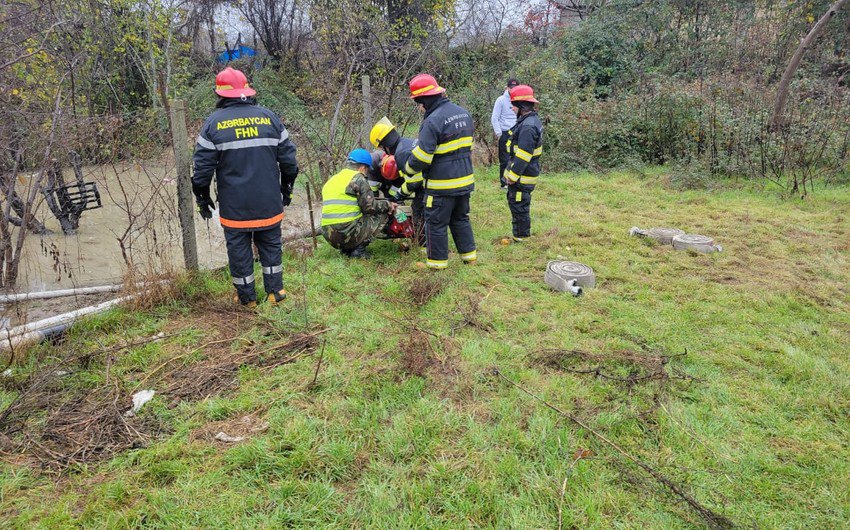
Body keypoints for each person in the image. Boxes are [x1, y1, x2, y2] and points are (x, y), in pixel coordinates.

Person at [192, 67, 298, 308]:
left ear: (220, 94)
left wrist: (202, 196)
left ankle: (246, 298)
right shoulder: (269, 118)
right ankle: (276, 293)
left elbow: (202, 169)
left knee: (239, 250)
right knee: (271, 245)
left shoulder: (213, 124)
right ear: (247, 91)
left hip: (235, 206)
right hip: (269, 201)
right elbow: (290, 161)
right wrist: (286, 188)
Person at [404, 73, 477, 269]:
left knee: (435, 224)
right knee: (460, 218)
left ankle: (437, 266)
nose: (419, 107)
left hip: (441, 185)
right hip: (464, 181)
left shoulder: (432, 121)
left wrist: (408, 167)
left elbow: (423, 157)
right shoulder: (464, 113)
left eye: (418, 102)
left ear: (424, 99)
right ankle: (469, 258)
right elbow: (468, 147)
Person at [321, 148, 398, 258]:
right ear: (363, 167)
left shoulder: (332, 180)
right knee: (383, 213)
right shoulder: (358, 178)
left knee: (356, 216)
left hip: (328, 235)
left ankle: (347, 249)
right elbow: (370, 207)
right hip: (346, 232)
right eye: (367, 170)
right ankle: (359, 250)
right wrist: (388, 205)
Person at [369, 117, 426, 247]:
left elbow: (413, 182)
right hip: (438, 178)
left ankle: (423, 245)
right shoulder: (408, 143)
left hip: (427, 183)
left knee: (418, 211)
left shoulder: (400, 154)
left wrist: (398, 196)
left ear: (385, 144)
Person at [504, 84, 543, 242]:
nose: (512, 109)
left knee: (519, 206)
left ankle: (521, 239)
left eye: (513, 106)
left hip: (522, 177)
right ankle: (520, 236)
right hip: (525, 174)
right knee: (518, 204)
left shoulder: (527, 127)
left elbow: (523, 156)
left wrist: (513, 176)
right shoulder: (530, 121)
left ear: (521, 106)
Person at [491, 78, 520, 189]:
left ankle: (514, 181)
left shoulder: (519, 99)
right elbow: (494, 118)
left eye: (515, 88)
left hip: (516, 131)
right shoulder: (501, 100)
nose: (513, 90)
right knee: (505, 159)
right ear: (507, 88)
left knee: (517, 158)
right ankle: (504, 183)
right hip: (504, 132)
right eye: (511, 88)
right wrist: (499, 133)